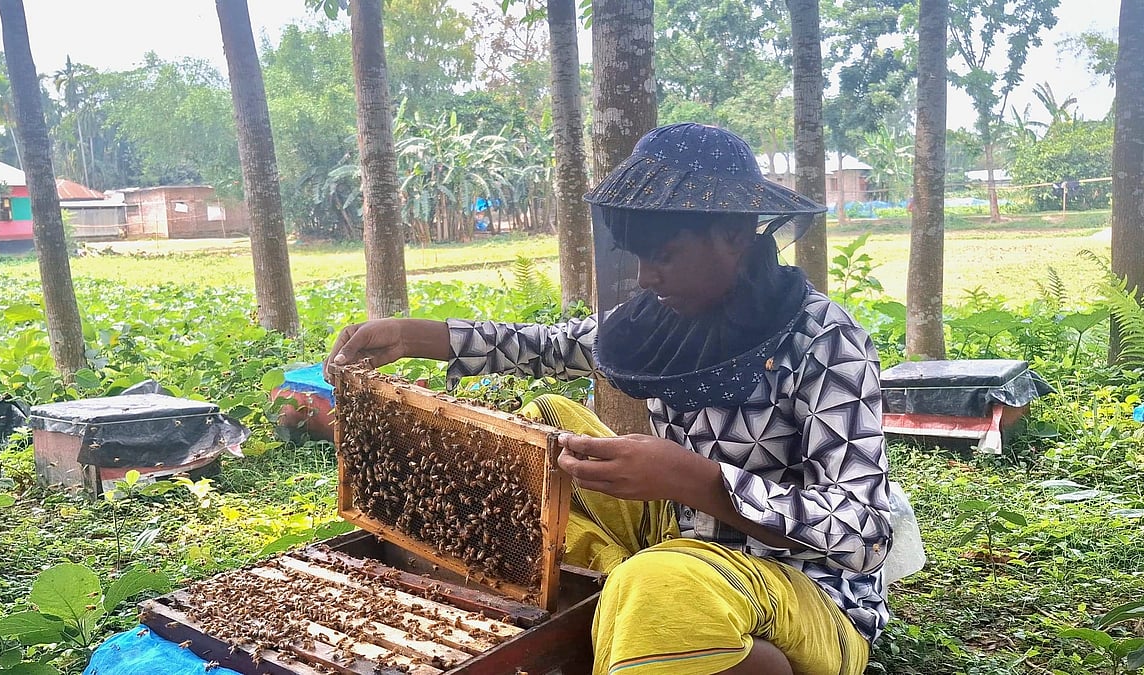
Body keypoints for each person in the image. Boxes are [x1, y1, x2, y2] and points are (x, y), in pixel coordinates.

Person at [328, 123, 891, 675]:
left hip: (806, 587)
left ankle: (703, 635)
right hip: (681, 537)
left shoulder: (824, 340)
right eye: (636, 257)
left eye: (666, 255)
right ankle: (644, 609)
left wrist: (696, 480)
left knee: (660, 590)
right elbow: (553, 346)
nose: (646, 277)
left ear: (736, 235)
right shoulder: (665, 315)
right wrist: (414, 336)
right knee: (547, 426)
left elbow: (863, 532)